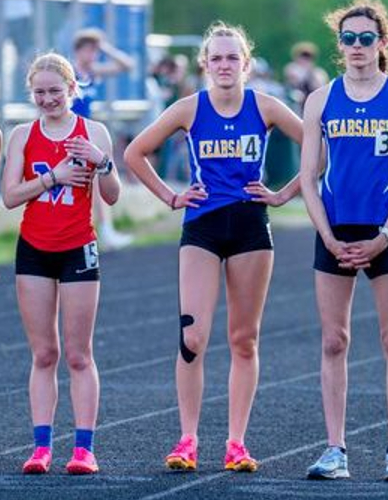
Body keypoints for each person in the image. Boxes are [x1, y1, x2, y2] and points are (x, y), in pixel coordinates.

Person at [123, 21, 303, 472]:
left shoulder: (265, 107)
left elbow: (323, 148)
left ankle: (236, 443)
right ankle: (187, 439)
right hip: (201, 226)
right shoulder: (189, 108)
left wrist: (284, 193)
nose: (225, 65)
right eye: (217, 58)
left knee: (244, 339)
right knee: (193, 337)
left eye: (232, 58)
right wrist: (170, 196)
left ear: (246, 63)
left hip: (250, 228)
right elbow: (134, 153)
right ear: (205, 64)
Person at [298, 0, 388, 481]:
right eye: (347, 38)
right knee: (334, 340)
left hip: (385, 230)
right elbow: (308, 177)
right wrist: (327, 235)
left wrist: (384, 235)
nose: (355, 47)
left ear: (382, 43)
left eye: (365, 38)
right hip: (335, 230)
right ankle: (335, 450)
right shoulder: (320, 100)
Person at [1, 52, 123, 475]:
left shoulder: (94, 131)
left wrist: (100, 160)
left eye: (56, 91)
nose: (48, 99)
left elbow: (111, 195)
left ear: (73, 89)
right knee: (43, 353)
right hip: (34, 247)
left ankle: (84, 449)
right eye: (40, 93)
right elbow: (10, 196)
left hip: (78, 248)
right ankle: (40, 447)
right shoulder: (22, 134)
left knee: (78, 354)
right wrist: (52, 177)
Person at [71, 27, 135, 250]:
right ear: (79, 50)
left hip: (85, 134)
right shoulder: (70, 72)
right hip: (69, 135)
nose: (93, 55)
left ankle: (105, 230)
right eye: (89, 50)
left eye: (95, 51)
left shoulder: (93, 71)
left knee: (98, 180)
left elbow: (127, 65)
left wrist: (105, 47)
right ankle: (94, 231)